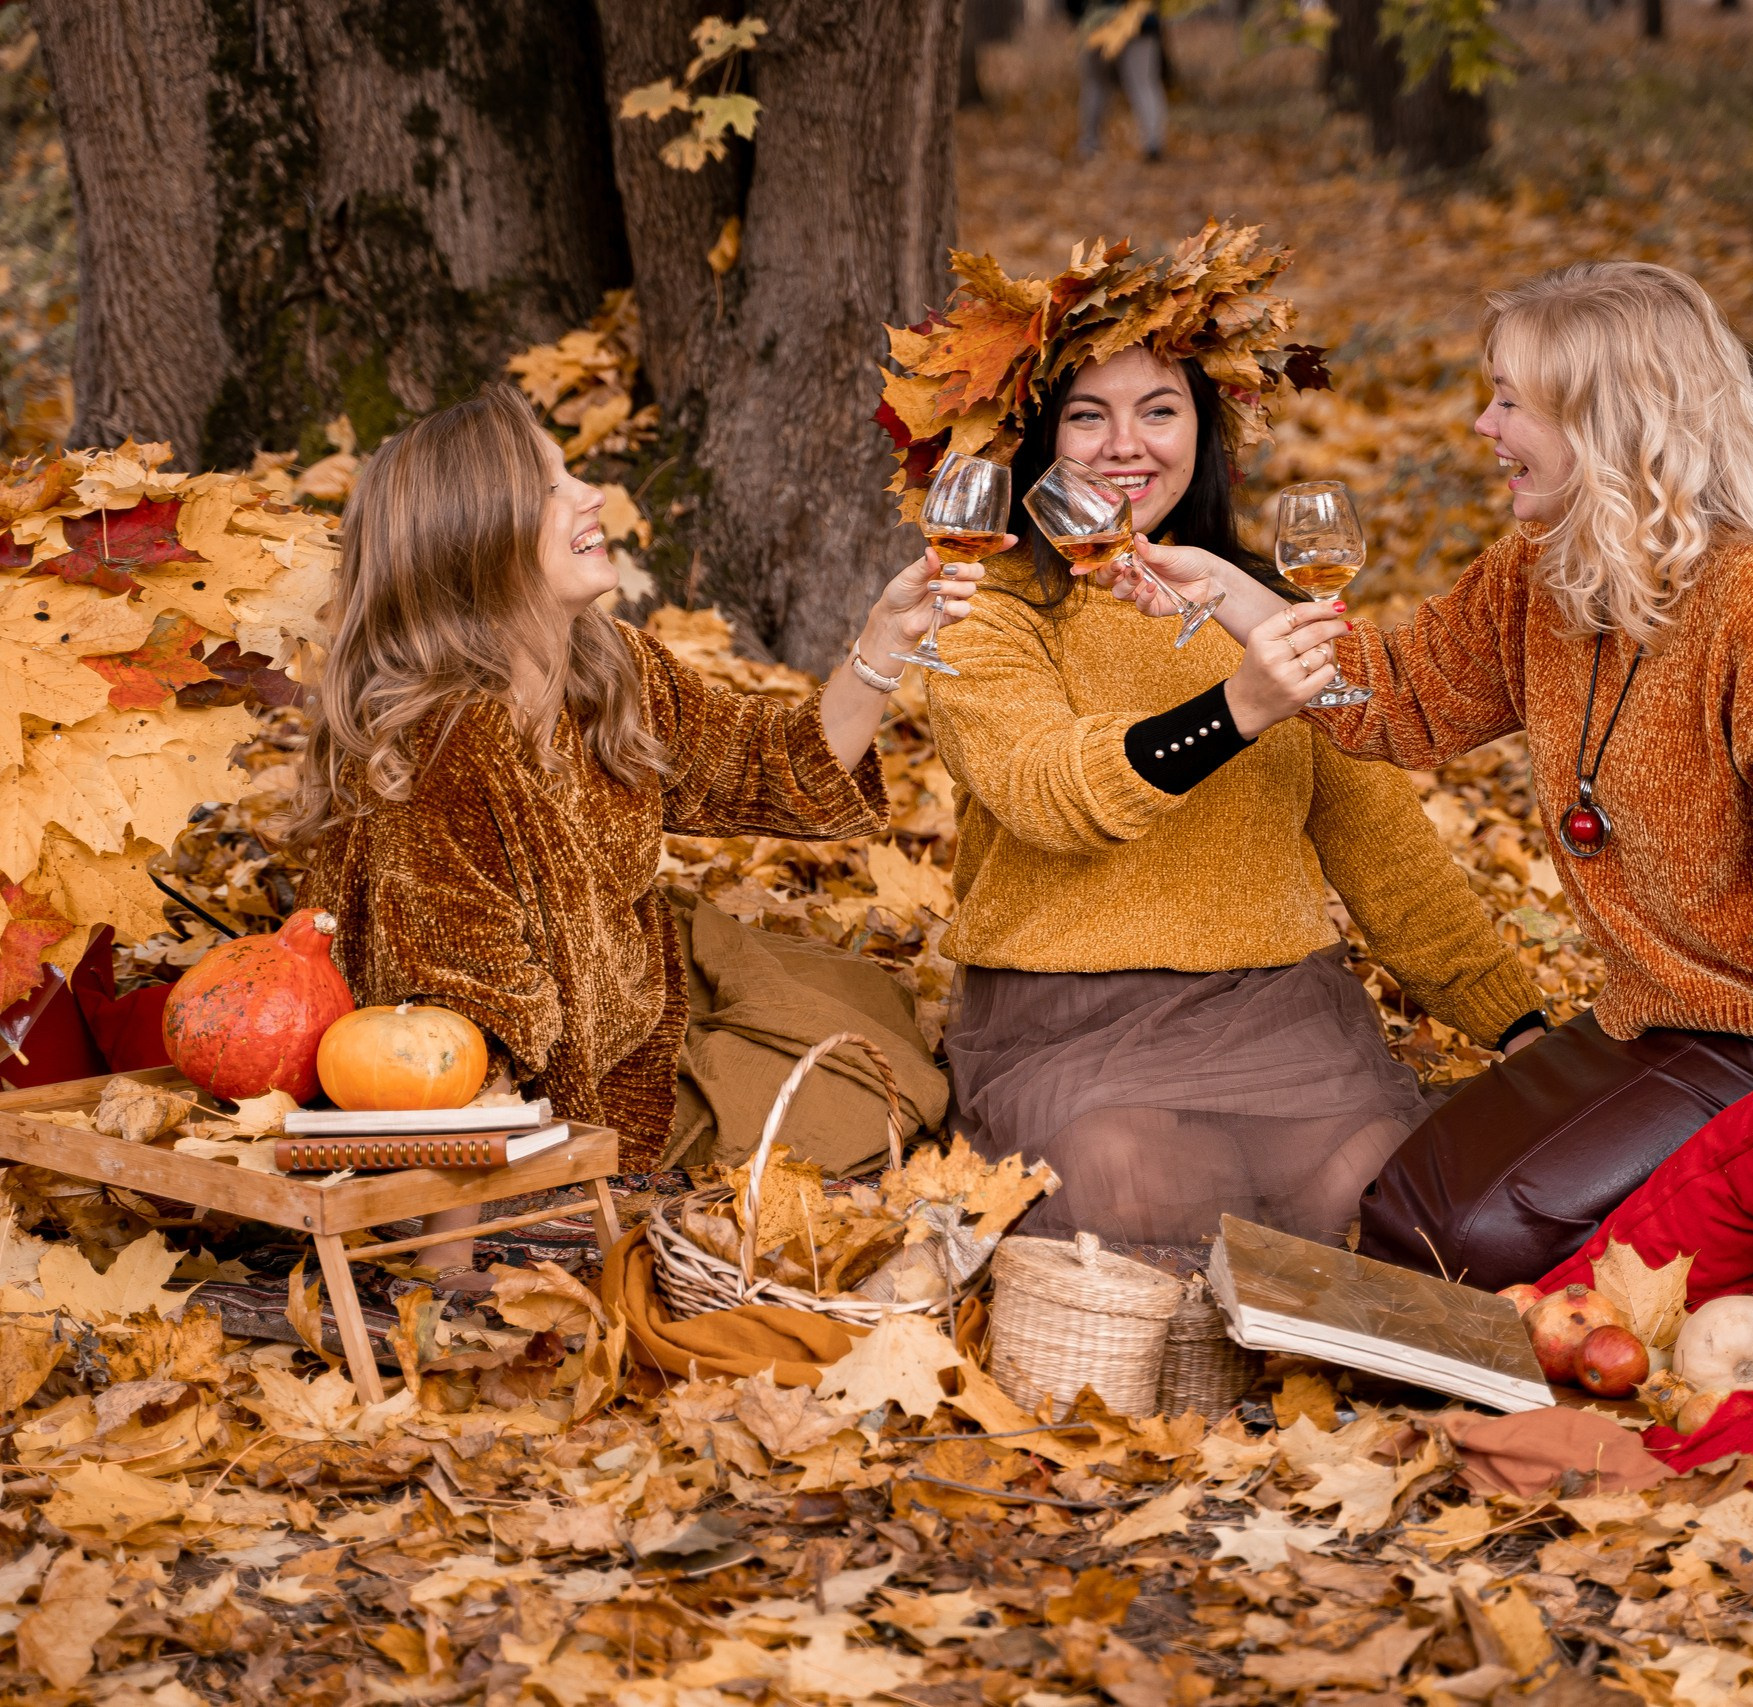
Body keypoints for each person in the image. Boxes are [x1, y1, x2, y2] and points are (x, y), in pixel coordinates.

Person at [1125, 260, 1753, 1290]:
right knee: (1401, 1210)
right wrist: (1222, 591)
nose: (1483, 426)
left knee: (1470, 1243)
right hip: (1654, 1017)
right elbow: (1397, 699)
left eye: (1510, 402)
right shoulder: (1551, 567)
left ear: (1610, 422)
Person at [881, 226, 1547, 1247]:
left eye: (1159, 410)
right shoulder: (992, 604)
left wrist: (1516, 1023)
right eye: (1088, 417)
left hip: (1273, 1015)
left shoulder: (1258, 609)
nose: (1125, 446)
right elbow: (1049, 794)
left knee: (1375, 1203)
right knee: (1126, 1185)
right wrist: (1236, 710)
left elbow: (1382, 845)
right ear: (1042, 438)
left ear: (1203, 429)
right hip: (1069, 1018)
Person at [295, 382, 987, 1289]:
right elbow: (458, 1021)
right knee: (863, 1113)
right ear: (476, 540)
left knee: (883, 1018)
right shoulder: (445, 755)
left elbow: (761, 762)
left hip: (639, 982)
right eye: (551, 486)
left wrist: (881, 643)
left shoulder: (601, 662)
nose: (590, 495)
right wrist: (448, 1255)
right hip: (540, 1078)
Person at [1069, 0, 1167, 162]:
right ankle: (1153, 142)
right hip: (1137, 25)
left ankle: (1089, 144)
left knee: (1097, 85)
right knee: (1142, 84)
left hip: (1098, 23)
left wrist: (1078, 16)